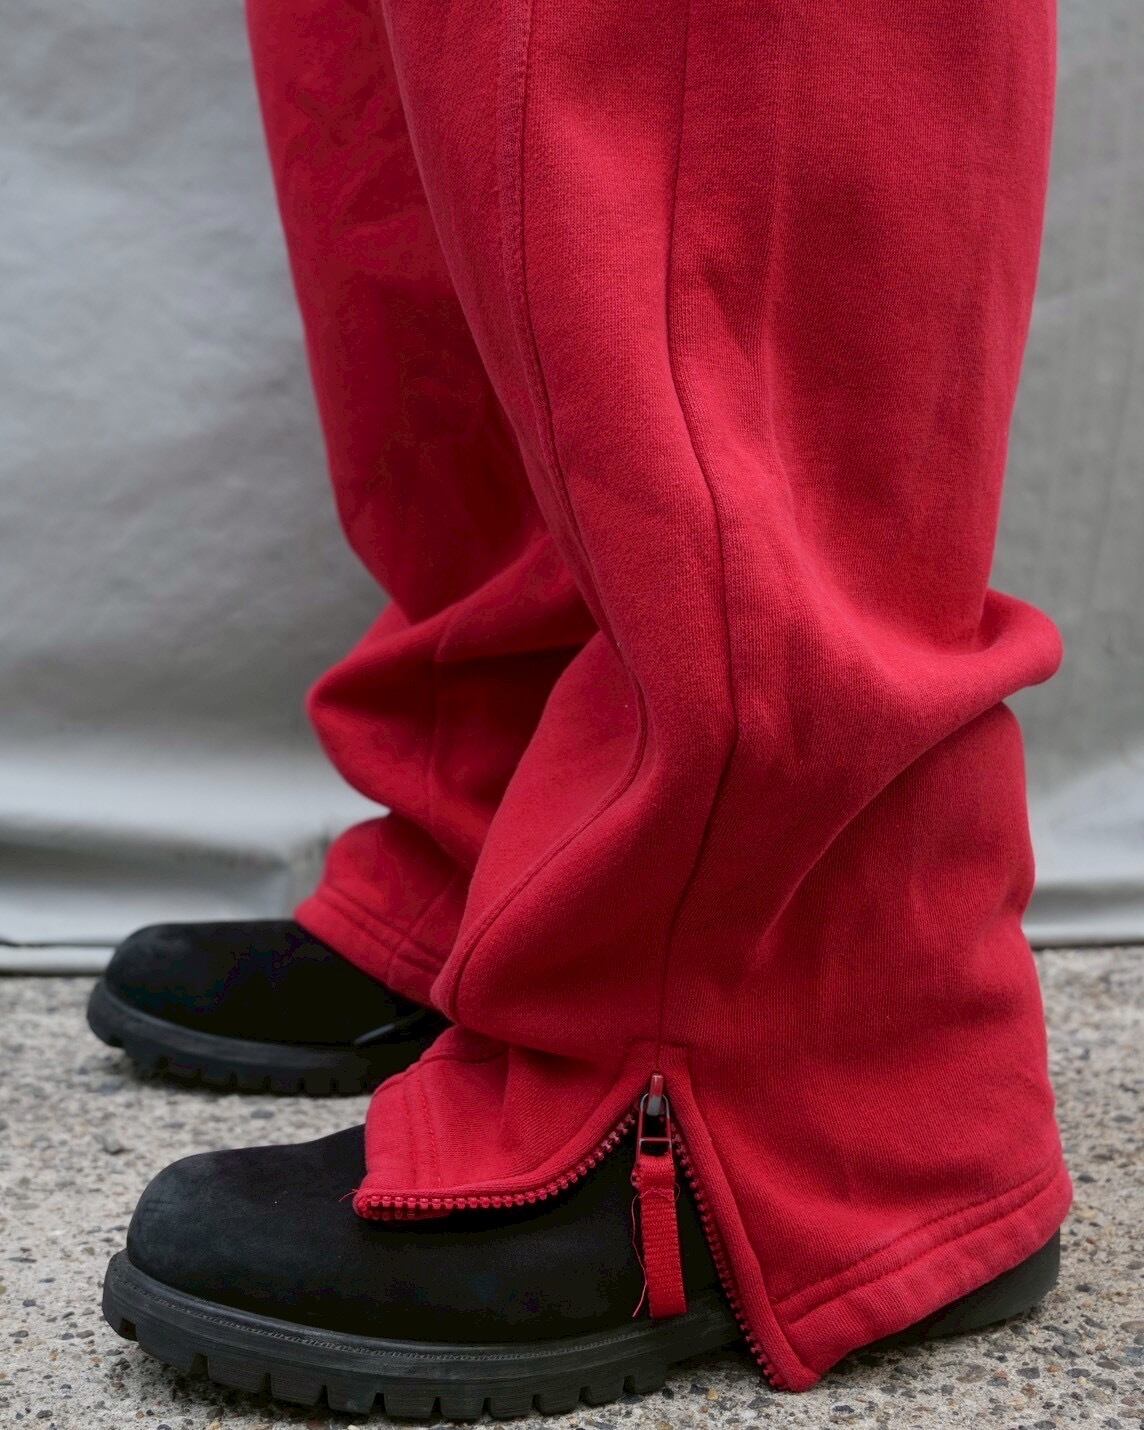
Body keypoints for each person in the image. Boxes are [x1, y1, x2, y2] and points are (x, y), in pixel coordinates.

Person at [91, 0, 1070, 1415]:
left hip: (719, 1046)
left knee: (698, 50)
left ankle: (789, 1044)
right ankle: (512, 841)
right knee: (415, 98)